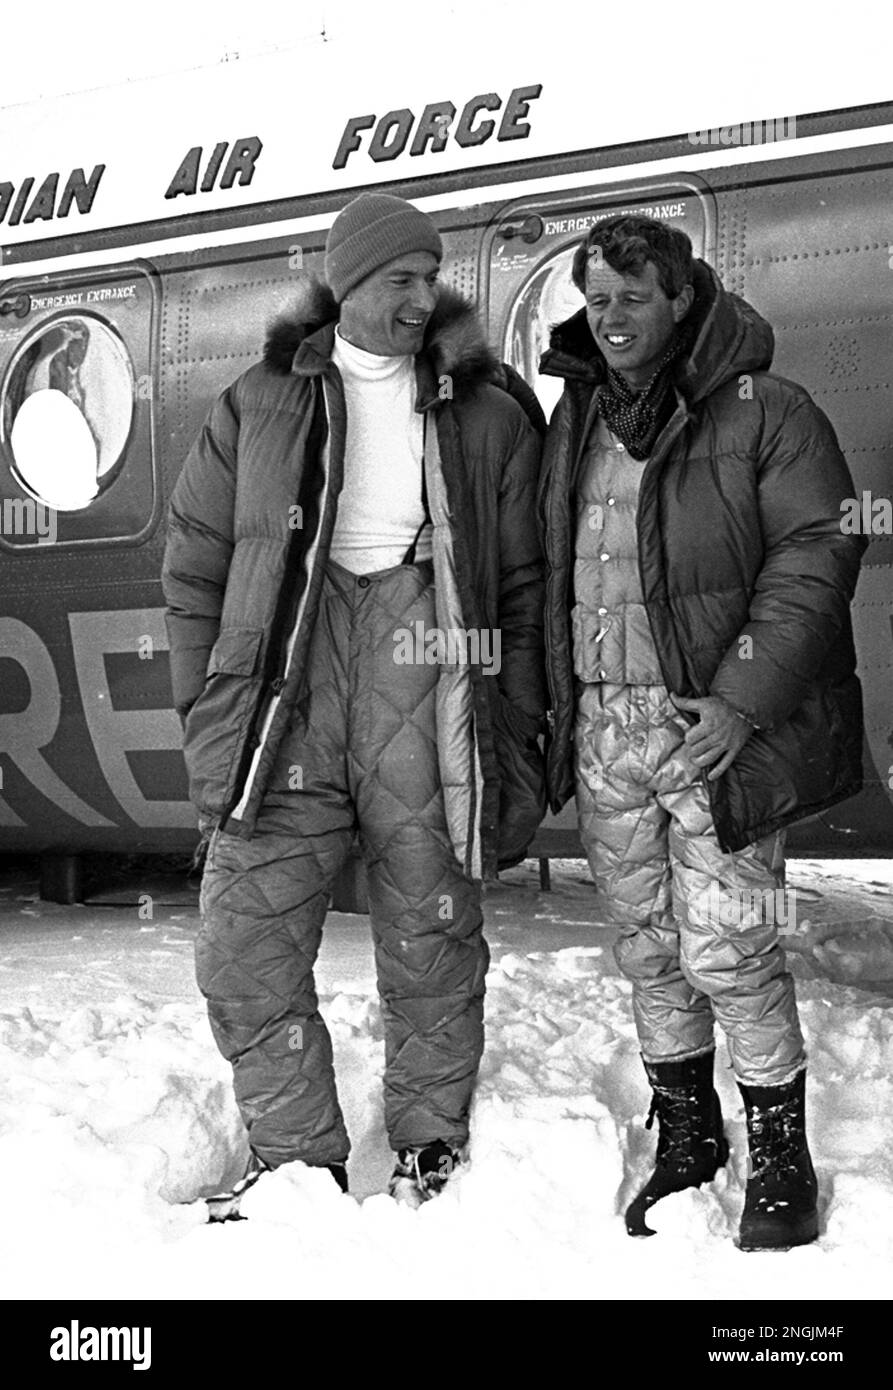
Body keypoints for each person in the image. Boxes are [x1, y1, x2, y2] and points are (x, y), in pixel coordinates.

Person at [162, 192, 546, 1214]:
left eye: (431, 278)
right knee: (244, 939)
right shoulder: (260, 401)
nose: (422, 298)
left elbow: (524, 586)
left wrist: (513, 719)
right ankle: (296, 1155)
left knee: (431, 923)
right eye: (399, 279)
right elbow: (196, 566)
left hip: (426, 661)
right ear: (347, 285)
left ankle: (428, 1138)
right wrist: (210, 705)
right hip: (289, 681)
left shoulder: (486, 410)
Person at [538, 214, 866, 1249]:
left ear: (682, 298)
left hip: (708, 724)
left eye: (633, 298)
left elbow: (815, 554)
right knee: (647, 950)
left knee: (728, 949)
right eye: (597, 299)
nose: (611, 318)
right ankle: (686, 1136)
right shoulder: (575, 417)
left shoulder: (768, 410)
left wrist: (740, 700)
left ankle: (780, 1156)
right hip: (605, 726)